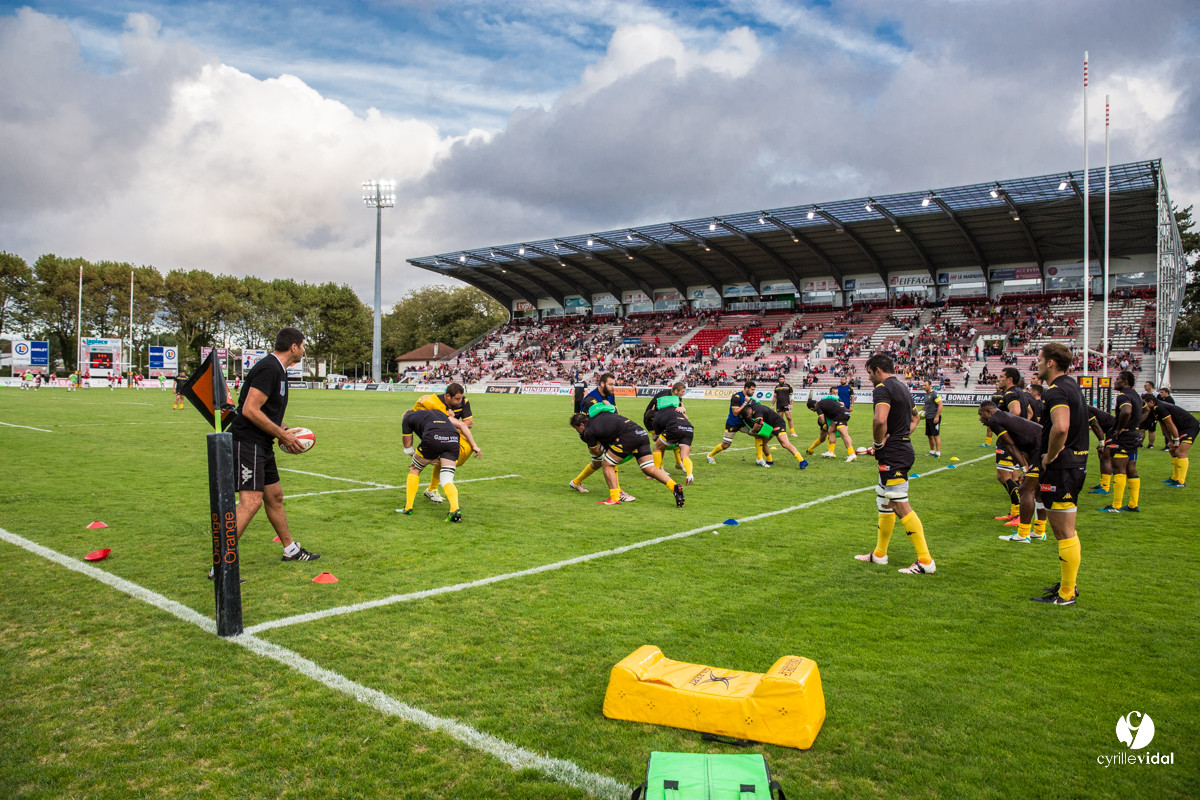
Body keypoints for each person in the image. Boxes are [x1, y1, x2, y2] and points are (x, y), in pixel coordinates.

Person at [221, 327, 320, 574]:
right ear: (294, 347)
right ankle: (221, 563)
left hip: (261, 443)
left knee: (274, 496)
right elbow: (249, 410)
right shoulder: (269, 368)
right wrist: (282, 434)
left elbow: (266, 412)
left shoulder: (280, 371)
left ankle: (291, 550)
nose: (304, 350)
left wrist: (285, 430)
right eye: (303, 345)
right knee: (251, 501)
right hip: (248, 442)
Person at [855, 353, 936, 575]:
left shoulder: (882, 388)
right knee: (884, 501)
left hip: (894, 455)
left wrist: (878, 444)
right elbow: (915, 419)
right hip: (900, 449)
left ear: (877, 370)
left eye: (869, 372)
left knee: (899, 504)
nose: (869, 377)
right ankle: (880, 554)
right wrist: (899, 437)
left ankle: (925, 561)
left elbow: (880, 419)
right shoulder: (903, 388)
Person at [1030, 342, 1088, 606]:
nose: (1037, 364)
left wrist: (1050, 455)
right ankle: (1068, 585)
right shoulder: (1071, 385)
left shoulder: (1055, 391)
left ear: (1051, 362)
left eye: (1040, 360)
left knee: (1063, 532)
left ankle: (1066, 594)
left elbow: (1061, 427)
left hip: (1062, 467)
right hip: (1075, 465)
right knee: (1067, 530)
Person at [570, 409, 685, 507]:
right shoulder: (601, 415)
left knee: (607, 464)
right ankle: (674, 486)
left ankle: (614, 498)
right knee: (649, 468)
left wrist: (605, 452)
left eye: (577, 429)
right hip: (641, 433)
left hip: (629, 436)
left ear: (580, 424)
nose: (578, 432)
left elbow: (595, 451)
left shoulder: (589, 431)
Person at [978, 400, 1048, 543]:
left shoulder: (995, 421)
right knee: (1038, 491)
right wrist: (1027, 466)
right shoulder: (1004, 417)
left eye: (980, 414)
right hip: (1042, 444)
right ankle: (1040, 531)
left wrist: (1024, 467)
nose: (980, 419)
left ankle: (1023, 534)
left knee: (1025, 490)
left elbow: (1010, 445)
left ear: (988, 412)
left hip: (1040, 447)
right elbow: (1023, 446)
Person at [396, 409, 481, 522]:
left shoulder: (407, 418)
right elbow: (457, 426)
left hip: (433, 437)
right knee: (447, 478)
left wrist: (419, 456)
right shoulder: (436, 413)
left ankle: (408, 508)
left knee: (414, 468)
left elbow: (408, 447)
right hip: (454, 439)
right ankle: (455, 510)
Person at [569, 373, 632, 499]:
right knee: (611, 459)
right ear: (602, 384)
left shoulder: (610, 394)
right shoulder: (590, 400)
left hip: (605, 432)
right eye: (610, 384)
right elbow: (584, 424)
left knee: (597, 462)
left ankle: (576, 483)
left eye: (614, 384)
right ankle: (618, 492)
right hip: (593, 435)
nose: (613, 387)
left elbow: (614, 410)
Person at [411, 383, 474, 504]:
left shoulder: (464, 401)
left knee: (446, 457)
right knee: (417, 466)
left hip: (450, 434)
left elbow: (469, 423)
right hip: (433, 434)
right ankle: (411, 503)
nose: (460, 401)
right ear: (448, 396)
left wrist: (449, 424)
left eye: (461, 398)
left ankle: (431, 491)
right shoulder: (434, 403)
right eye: (457, 399)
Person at [1100, 371, 1144, 512]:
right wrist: (1134, 425)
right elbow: (1146, 409)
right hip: (1134, 435)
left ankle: (1116, 506)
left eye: (1118, 379)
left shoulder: (1123, 396)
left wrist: (1120, 428)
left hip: (1124, 437)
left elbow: (1126, 411)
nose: (1115, 381)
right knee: (1131, 468)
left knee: (1118, 468)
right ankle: (1133, 504)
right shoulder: (1136, 395)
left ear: (1125, 381)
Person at [992, 368, 1029, 522]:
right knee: (1008, 475)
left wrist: (1001, 424)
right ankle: (1015, 511)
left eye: (1001, 377)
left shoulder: (1010, 393)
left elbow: (1015, 412)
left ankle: (1020, 513)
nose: (999, 379)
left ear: (1010, 379)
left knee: (1003, 476)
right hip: (1016, 439)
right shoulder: (1019, 392)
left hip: (1009, 440)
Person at [1143, 392, 1198, 488]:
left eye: (1144, 404)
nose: (1143, 406)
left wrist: (1176, 440)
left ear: (1151, 402)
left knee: (1180, 452)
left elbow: (1170, 424)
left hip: (1190, 426)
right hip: (1181, 428)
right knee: (1172, 450)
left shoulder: (1159, 407)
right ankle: (1175, 478)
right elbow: (1163, 425)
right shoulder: (1155, 409)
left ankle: (1181, 482)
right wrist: (1170, 441)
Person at [706, 380, 764, 465]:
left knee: (758, 434)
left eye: (754, 390)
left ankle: (759, 459)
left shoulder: (751, 398)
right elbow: (735, 412)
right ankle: (710, 455)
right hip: (733, 423)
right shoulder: (736, 397)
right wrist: (745, 403)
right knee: (726, 445)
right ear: (746, 388)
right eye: (752, 389)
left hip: (744, 423)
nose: (753, 392)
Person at [738, 400, 810, 469]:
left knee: (785, 444)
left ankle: (802, 461)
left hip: (778, 423)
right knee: (763, 443)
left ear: (750, 411)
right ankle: (769, 461)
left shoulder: (757, 411)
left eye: (750, 416)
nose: (750, 417)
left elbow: (758, 424)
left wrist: (752, 431)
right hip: (770, 427)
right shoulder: (751, 407)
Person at [650, 392, 697, 485]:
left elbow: (657, 436)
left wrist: (654, 436)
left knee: (657, 448)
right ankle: (689, 474)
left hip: (674, 428)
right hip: (688, 428)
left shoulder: (658, 415)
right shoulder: (676, 409)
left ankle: (657, 473)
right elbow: (686, 417)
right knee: (685, 456)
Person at [644, 382, 687, 473]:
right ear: (676, 391)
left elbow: (680, 408)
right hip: (654, 421)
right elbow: (649, 415)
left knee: (675, 437)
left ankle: (678, 463)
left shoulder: (676, 396)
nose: (683, 393)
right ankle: (659, 468)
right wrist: (653, 431)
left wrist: (683, 409)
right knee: (660, 445)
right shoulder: (662, 396)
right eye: (682, 392)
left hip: (666, 420)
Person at [806, 394, 856, 461]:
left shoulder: (818, 406)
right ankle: (830, 452)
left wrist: (822, 424)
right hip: (844, 412)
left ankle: (851, 454)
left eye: (812, 409)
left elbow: (822, 420)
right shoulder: (824, 401)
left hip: (841, 415)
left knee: (844, 434)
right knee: (831, 430)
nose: (813, 411)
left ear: (814, 406)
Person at [921, 379, 943, 458]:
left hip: (934, 417)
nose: (924, 386)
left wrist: (937, 416)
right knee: (929, 435)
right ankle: (932, 451)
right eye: (923, 385)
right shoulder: (926, 395)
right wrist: (920, 412)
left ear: (930, 386)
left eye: (925, 385)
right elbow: (926, 405)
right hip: (928, 417)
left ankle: (938, 453)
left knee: (936, 435)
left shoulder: (934, 394)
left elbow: (940, 405)